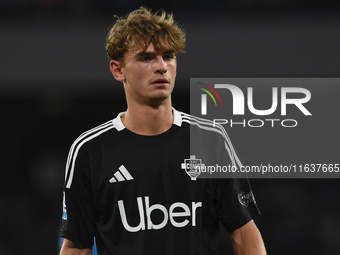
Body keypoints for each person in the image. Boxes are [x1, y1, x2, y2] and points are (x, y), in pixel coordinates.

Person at [59, 7, 266, 255]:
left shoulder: (210, 139)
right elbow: (77, 247)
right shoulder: (90, 151)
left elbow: (243, 231)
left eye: (168, 56)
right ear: (118, 69)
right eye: (146, 58)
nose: (161, 66)